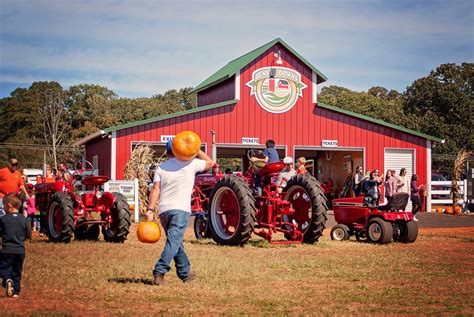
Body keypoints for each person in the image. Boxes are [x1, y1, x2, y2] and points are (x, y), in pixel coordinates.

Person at [146, 148, 214, 285]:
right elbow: (210, 163)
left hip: (164, 211)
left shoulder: (161, 168)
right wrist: (196, 149)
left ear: (168, 152)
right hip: (180, 210)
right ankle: (159, 271)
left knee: (176, 242)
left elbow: (155, 189)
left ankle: (185, 273)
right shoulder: (191, 163)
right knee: (173, 242)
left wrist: (150, 209)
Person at [0, 193, 32, 298]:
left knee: (4, 268)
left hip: (7, 249)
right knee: (17, 271)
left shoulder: (3, 219)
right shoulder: (24, 220)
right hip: (20, 251)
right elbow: (28, 234)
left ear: (9, 205)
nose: (3, 208)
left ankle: (7, 280)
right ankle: (15, 292)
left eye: (4, 205)